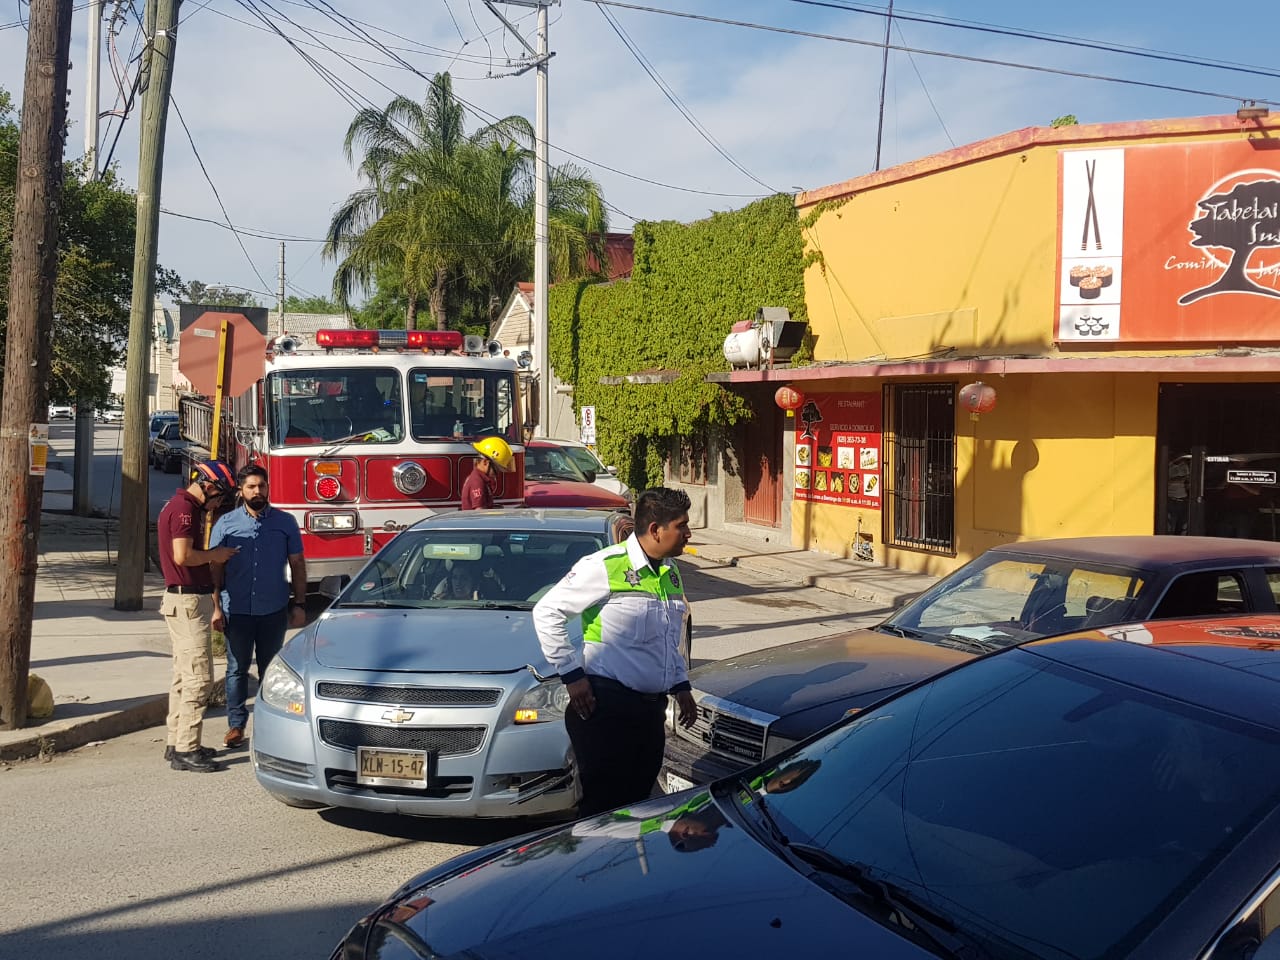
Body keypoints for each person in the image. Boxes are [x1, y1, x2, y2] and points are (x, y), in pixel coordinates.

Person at [533, 487, 697, 816]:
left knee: (639, 806)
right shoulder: (604, 565)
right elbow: (546, 612)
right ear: (655, 530)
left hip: (649, 714)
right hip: (606, 710)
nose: (688, 533)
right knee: (603, 811)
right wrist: (572, 675)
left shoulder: (670, 572)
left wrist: (681, 688)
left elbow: (667, 638)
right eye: (682, 525)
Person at [209, 464, 307, 749]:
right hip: (236, 609)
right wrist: (216, 606)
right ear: (241, 490)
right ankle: (235, 725)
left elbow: (297, 564)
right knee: (237, 669)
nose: (257, 491)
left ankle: (268, 725)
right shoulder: (226, 523)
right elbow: (215, 567)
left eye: (262, 486)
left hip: (272, 610)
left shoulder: (285, 522)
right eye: (251, 486)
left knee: (271, 670)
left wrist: (299, 603)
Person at [157, 460, 240, 773]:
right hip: (188, 601)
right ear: (208, 485)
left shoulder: (179, 505)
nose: (220, 502)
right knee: (199, 677)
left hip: (182, 601)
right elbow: (183, 555)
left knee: (182, 675)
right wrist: (214, 556)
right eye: (220, 494)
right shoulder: (185, 510)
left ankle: (176, 741)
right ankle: (186, 749)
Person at [460, 436, 515, 510]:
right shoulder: (477, 482)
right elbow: (479, 512)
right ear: (485, 462)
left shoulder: (480, 479)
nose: (497, 473)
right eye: (496, 468)